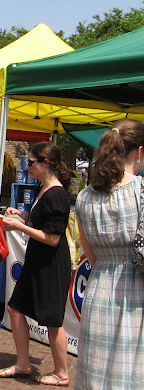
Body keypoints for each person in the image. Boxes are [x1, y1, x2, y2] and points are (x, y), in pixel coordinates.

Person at [74, 120, 144, 390]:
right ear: (139, 151)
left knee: (96, 372)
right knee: (131, 374)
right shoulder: (140, 191)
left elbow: (91, 256)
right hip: (136, 295)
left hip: (99, 292)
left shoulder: (84, 197)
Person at [0, 142, 71, 385]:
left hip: (51, 263)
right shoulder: (43, 188)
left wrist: (20, 227)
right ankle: (23, 363)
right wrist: (21, 215)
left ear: (46, 163)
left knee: (52, 320)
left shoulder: (57, 194)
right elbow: (39, 220)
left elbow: (53, 238)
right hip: (37, 259)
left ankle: (62, 373)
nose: (27, 167)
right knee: (15, 308)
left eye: (31, 162)